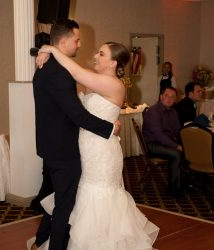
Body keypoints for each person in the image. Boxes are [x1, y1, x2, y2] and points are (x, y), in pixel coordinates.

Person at [32, 39, 159, 248]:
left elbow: (75, 72)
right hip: (88, 149)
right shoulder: (98, 81)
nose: (95, 56)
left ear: (113, 63)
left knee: (98, 199)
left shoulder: (113, 84)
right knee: (81, 197)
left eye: (101, 54)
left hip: (101, 152)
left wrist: (52, 50)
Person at [28, 19, 121, 250]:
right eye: (77, 40)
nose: (80, 45)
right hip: (65, 149)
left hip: (59, 146)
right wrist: (110, 128)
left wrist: (46, 49)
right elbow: (78, 115)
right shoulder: (59, 72)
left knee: (62, 197)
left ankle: (42, 239)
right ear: (64, 41)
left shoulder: (45, 67)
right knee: (65, 204)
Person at [143, 86, 183, 198]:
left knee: (188, 148)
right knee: (176, 154)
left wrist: (184, 142)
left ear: (175, 99)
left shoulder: (173, 112)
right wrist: (176, 145)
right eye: (167, 96)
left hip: (165, 142)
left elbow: (177, 130)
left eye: (172, 97)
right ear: (161, 97)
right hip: (153, 144)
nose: (169, 99)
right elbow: (159, 135)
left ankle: (184, 182)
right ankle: (173, 190)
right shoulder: (153, 111)